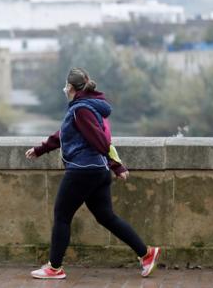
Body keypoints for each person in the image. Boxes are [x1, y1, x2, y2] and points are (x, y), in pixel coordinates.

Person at [25, 67, 160, 279]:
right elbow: (65, 134)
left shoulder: (81, 110)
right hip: (97, 171)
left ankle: (54, 267)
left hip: (83, 171)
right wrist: (41, 149)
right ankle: (146, 253)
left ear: (70, 87)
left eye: (65, 86)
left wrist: (116, 165)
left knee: (62, 216)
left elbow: (101, 140)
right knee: (106, 217)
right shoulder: (87, 107)